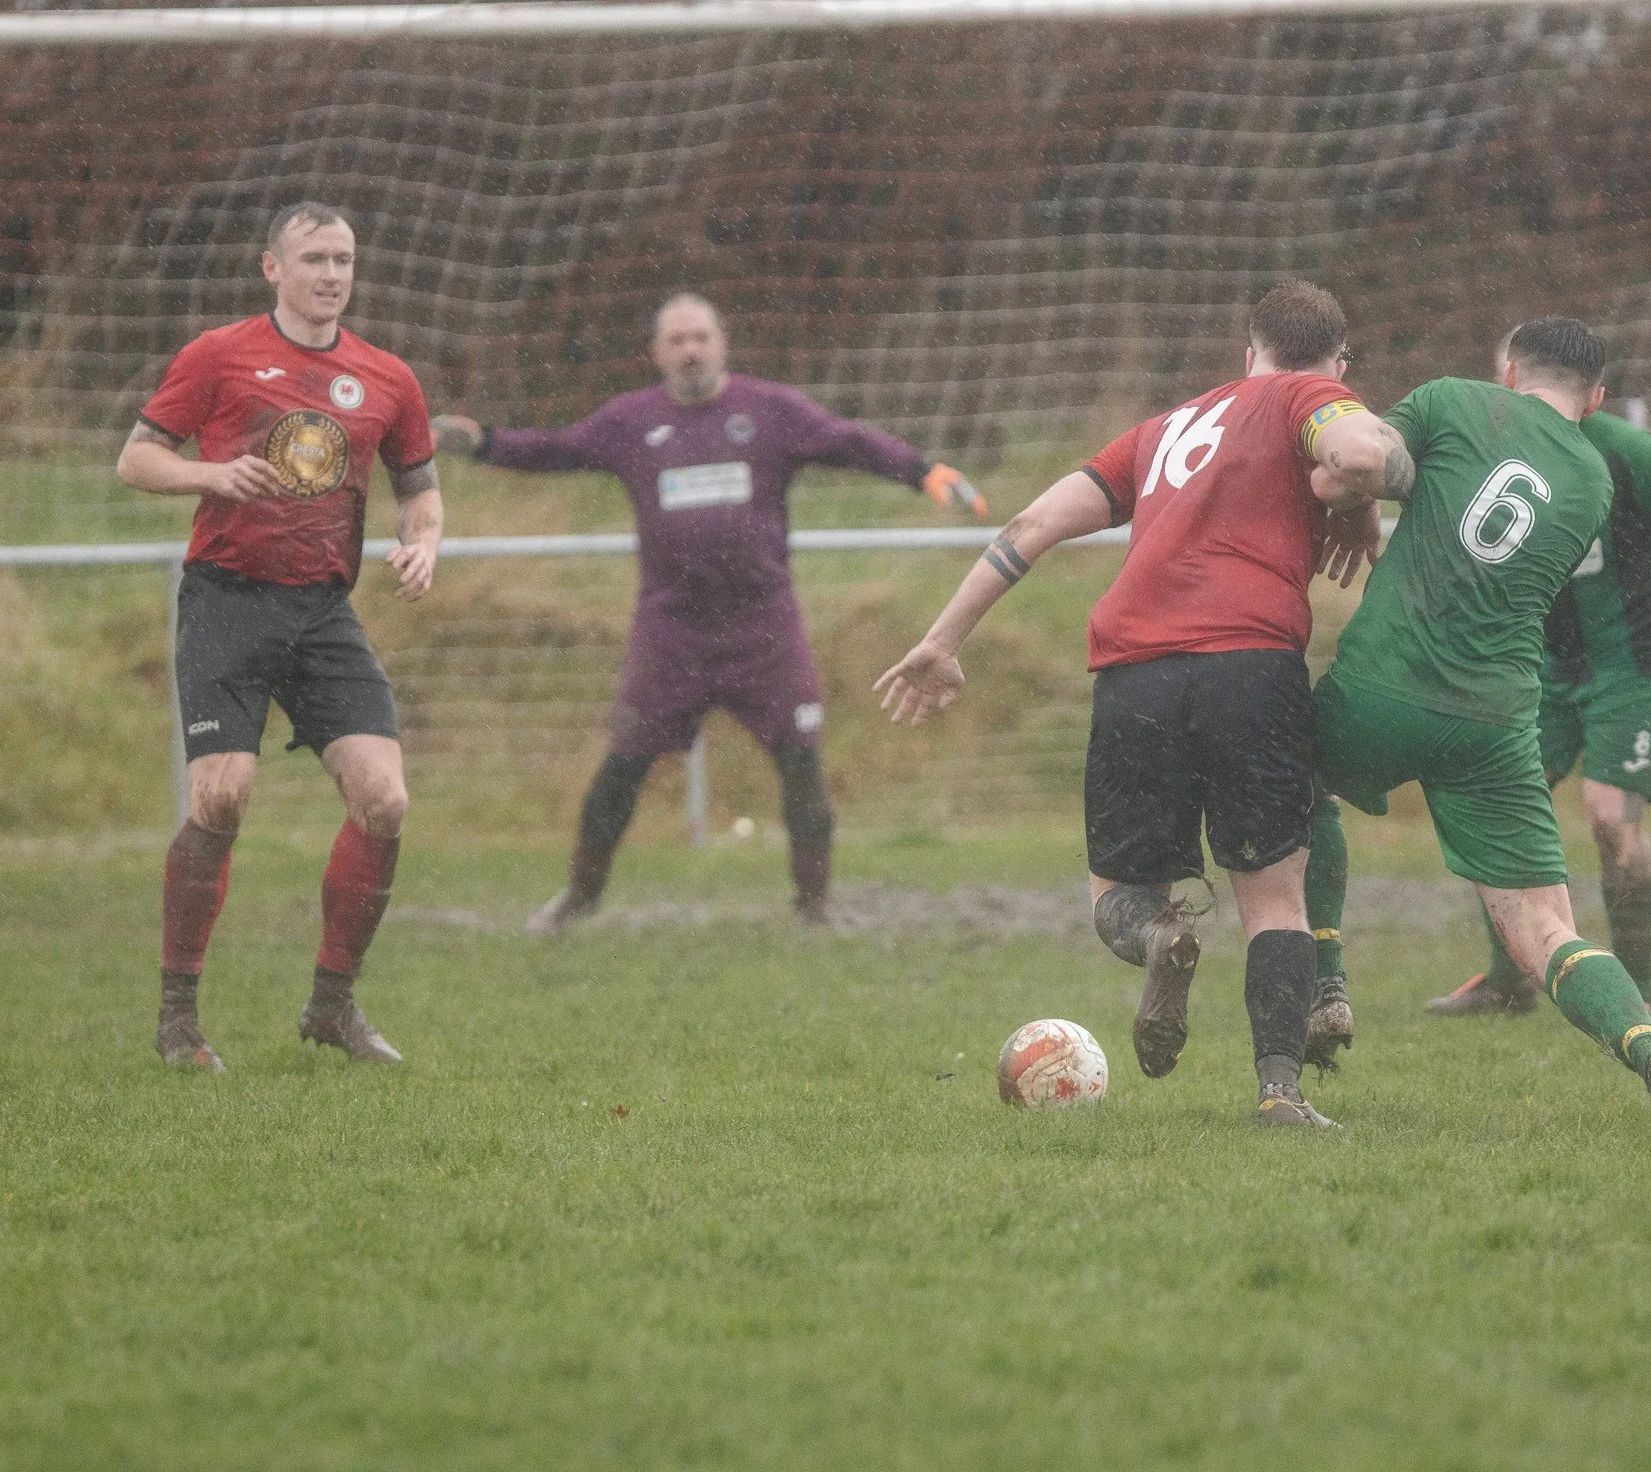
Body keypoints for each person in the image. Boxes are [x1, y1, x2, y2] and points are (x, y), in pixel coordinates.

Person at [875, 281, 1388, 1129]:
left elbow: (1034, 525)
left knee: (1117, 888)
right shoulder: (1310, 394)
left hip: (1135, 672)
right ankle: (1279, 1093)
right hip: (1249, 665)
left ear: (1247, 352)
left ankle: (1157, 939)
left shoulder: (1165, 429)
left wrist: (944, 640)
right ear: (1337, 362)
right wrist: (1362, 501)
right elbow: (1358, 452)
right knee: (1273, 898)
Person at [1300, 317, 1651, 1127]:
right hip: (1496, 715)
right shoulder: (1593, 477)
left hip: (1386, 683)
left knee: (1294, 785)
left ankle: (1326, 978)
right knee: (1543, 922)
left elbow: (1348, 473)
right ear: (1598, 397)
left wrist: (1356, 502)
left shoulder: (1451, 401)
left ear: (1509, 373)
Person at [430, 293, 986, 930]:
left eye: (700, 337)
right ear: (656, 354)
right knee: (624, 766)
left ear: (723, 343)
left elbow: (850, 442)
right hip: (671, 631)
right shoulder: (630, 421)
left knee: (801, 760)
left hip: (764, 627)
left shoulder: (771, 411)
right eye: (676, 340)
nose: (690, 350)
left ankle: (816, 909)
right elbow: (557, 450)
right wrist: (481, 443)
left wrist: (925, 473)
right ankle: (576, 902)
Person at [120, 201, 441, 1071]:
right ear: (273, 268)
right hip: (227, 600)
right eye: (314, 259)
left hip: (321, 612)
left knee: (386, 799)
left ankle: (332, 1005)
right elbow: (135, 458)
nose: (332, 274)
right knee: (221, 796)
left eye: (343, 258)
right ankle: (178, 1020)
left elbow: (420, 483)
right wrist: (210, 472)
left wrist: (424, 543)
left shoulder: (387, 377)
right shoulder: (218, 355)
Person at [1412, 388, 1651, 1022]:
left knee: (1612, 816)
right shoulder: (1498, 456)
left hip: (1630, 665)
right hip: (1542, 669)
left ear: (1591, 394)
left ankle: (1636, 995)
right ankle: (1511, 982)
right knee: (1492, 799)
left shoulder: (1628, 451)